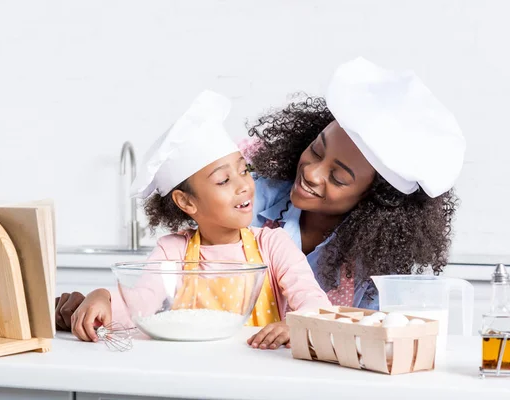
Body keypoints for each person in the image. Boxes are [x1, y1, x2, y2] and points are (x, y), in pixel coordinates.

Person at [56, 90, 331, 350]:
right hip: (190, 367)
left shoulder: (273, 245)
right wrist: (103, 297)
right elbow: (139, 305)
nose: (244, 186)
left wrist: (300, 323)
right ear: (186, 201)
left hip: (259, 365)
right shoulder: (173, 251)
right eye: (224, 180)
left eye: (243, 170)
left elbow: (312, 299)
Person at [244, 57, 465, 309]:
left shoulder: (377, 267)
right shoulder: (250, 199)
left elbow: (371, 337)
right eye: (316, 150)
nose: (312, 173)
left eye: (338, 178)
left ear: (371, 198)